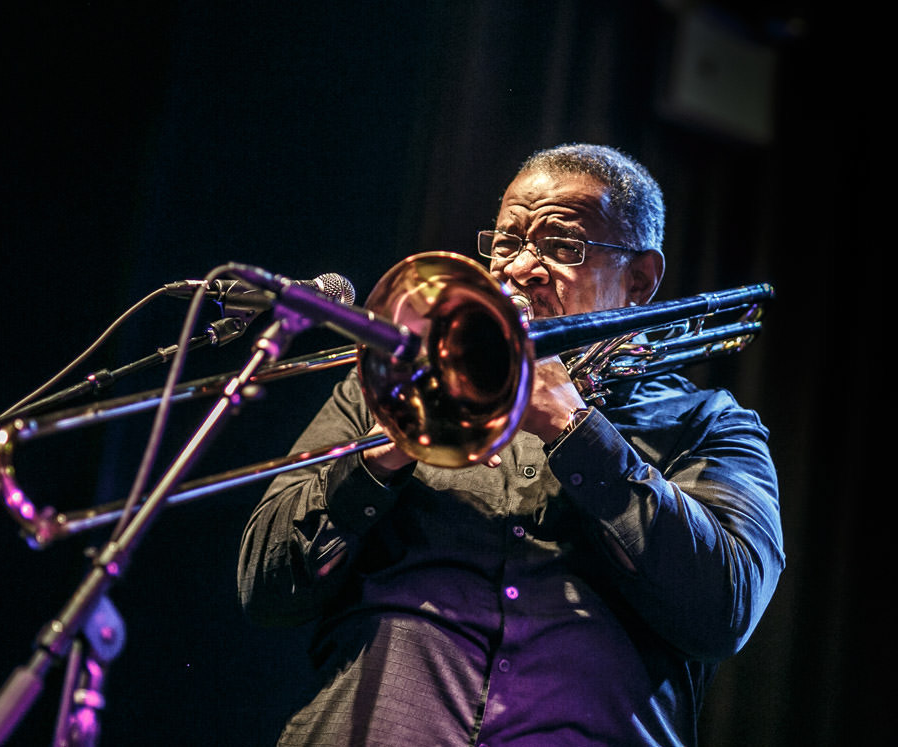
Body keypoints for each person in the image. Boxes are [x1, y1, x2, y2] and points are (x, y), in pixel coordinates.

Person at [237, 143, 784, 746]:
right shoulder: (384, 386)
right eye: (506, 242)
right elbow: (265, 587)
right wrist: (384, 450)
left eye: (560, 247)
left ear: (638, 281)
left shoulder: (710, 424)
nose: (520, 268)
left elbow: (724, 610)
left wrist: (573, 428)